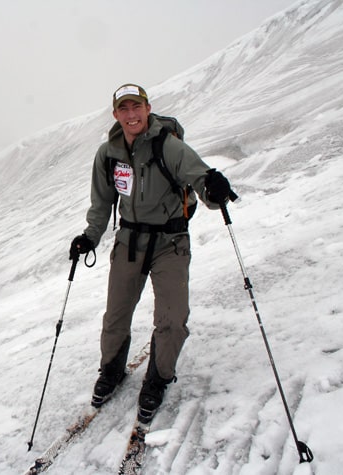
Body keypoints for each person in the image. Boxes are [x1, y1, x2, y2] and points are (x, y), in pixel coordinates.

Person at [70, 83, 232, 424]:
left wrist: (214, 190)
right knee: (115, 316)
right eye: (124, 109)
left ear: (147, 108)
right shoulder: (109, 154)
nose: (131, 115)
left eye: (137, 107)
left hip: (170, 242)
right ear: (116, 114)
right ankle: (112, 371)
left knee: (172, 320)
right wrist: (89, 236)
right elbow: (101, 203)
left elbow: (200, 177)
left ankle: (157, 379)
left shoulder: (168, 146)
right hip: (129, 240)